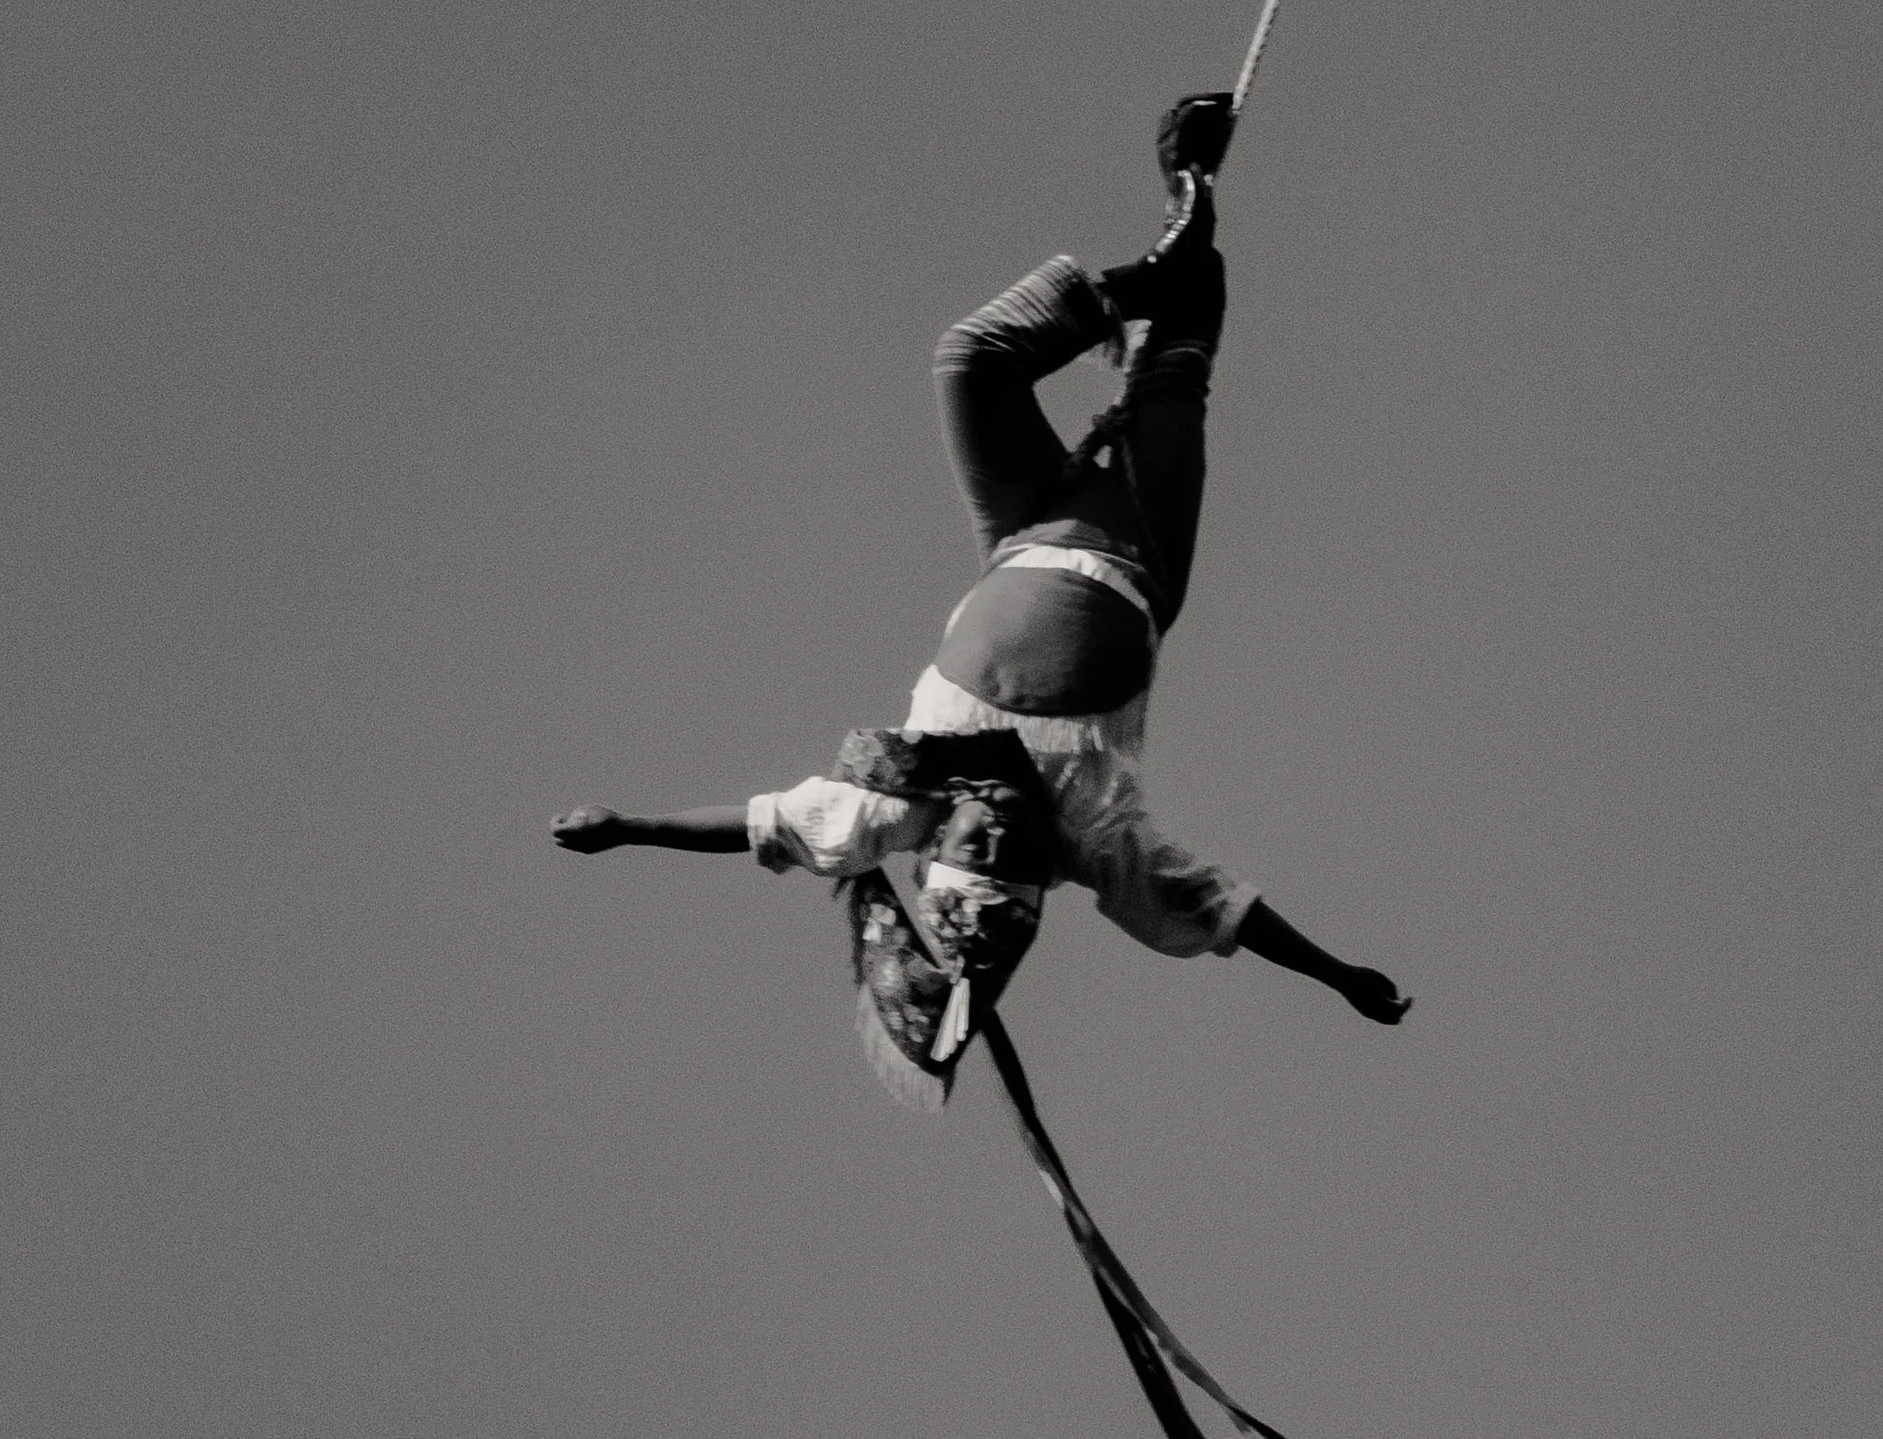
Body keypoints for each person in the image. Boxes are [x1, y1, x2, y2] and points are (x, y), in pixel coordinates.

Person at [553, 94, 1410, 1095]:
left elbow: (760, 825)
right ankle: (1190, 191)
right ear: (1042, 868)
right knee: (1181, 350)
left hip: (1020, 528)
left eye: (974, 841)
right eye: (1013, 847)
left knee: (970, 362)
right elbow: (1218, 907)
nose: (997, 819)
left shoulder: (890, 805)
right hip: (1137, 544)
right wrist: (1335, 973)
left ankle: (1139, 278)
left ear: (938, 842)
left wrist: (624, 827)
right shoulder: (1095, 838)